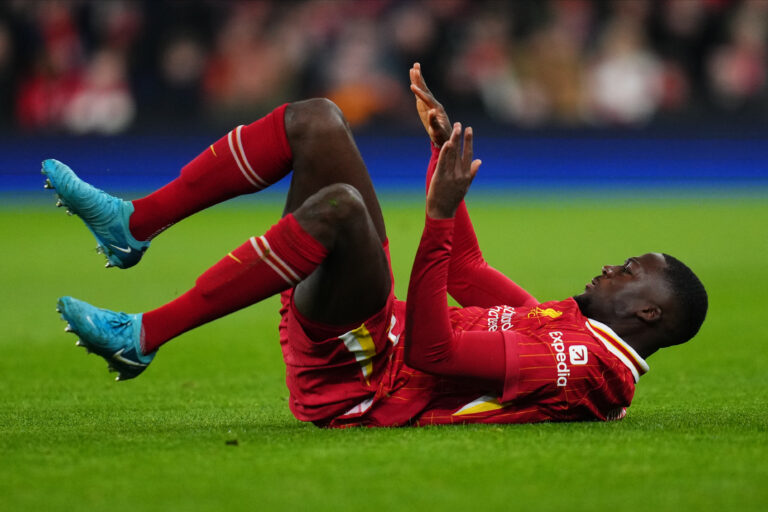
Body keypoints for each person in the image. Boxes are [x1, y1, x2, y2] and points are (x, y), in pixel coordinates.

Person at [44, 64, 707, 427]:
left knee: (341, 209)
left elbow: (431, 353)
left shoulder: (582, 365)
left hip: (362, 381)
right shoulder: (570, 330)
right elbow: (467, 272)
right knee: (317, 120)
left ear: (649, 313)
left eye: (630, 271)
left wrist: (439, 216)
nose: (611, 267)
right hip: (368, 334)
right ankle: (135, 224)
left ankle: (144, 335)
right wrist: (439, 151)